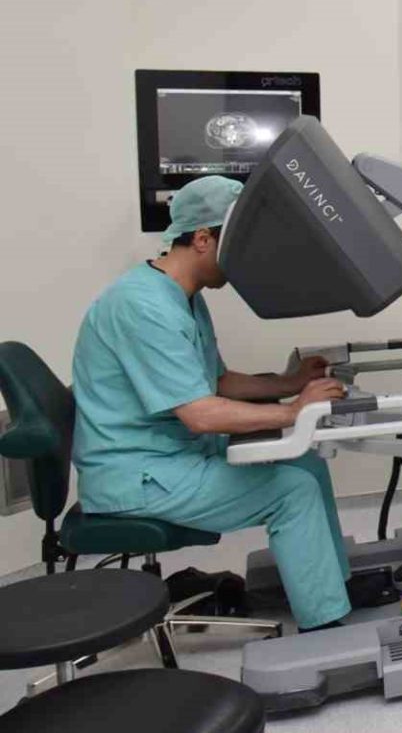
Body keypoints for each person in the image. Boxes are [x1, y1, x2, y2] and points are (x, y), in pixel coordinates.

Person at [71, 176, 352, 631]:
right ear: (203, 239)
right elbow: (200, 413)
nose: (245, 260)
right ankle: (324, 628)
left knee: (307, 465)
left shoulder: (182, 296)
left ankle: (332, 588)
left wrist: (290, 382)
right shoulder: (144, 306)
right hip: (139, 474)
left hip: (170, 453)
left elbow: (217, 381)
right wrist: (292, 410)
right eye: (237, 245)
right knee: (291, 491)